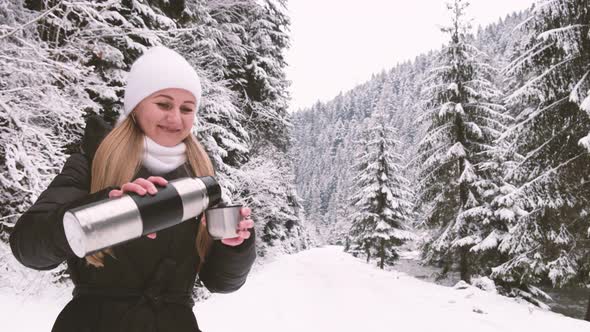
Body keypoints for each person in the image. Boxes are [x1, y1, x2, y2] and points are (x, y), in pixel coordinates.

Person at [9, 46, 256, 332]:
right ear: (136, 105)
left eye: (187, 109)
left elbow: (221, 282)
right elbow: (28, 246)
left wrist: (235, 248)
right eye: (163, 104)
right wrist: (102, 210)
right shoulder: (94, 159)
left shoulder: (201, 175)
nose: (175, 119)